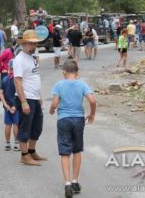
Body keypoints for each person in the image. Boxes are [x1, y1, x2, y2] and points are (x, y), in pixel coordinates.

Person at [49, 60, 96, 198]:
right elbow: (92, 100)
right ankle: (75, 181)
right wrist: (92, 114)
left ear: (63, 72)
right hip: (78, 120)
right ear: (77, 73)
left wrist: (52, 109)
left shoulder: (59, 84)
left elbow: (55, 103)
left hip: (63, 119)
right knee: (77, 150)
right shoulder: (82, 84)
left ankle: (68, 183)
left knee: (65, 152)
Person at [13, 30, 46, 166]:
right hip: (26, 99)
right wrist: (24, 102)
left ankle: (32, 151)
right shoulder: (20, 59)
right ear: (24, 43)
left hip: (35, 98)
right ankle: (24, 156)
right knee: (25, 128)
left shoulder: (32, 57)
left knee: (37, 127)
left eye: (35, 44)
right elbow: (17, 81)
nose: (34, 46)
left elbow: (34, 77)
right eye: (32, 44)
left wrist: (39, 96)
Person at [0, 59, 20, 152]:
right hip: (15, 106)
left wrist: (5, 104)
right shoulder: (17, 80)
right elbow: (19, 93)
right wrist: (14, 106)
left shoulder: (5, 79)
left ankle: (7, 144)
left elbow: (0, 93)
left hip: (7, 106)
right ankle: (16, 144)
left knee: (8, 124)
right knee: (16, 124)